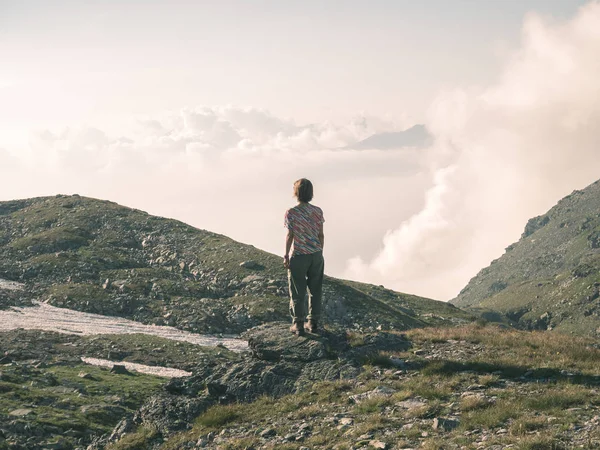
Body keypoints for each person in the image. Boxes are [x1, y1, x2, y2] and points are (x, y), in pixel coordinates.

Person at [284, 178, 325, 336]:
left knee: (297, 290)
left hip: (300, 255)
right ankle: (313, 323)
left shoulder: (292, 213)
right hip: (316, 255)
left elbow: (290, 235)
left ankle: (298, 324)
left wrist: (286, 255)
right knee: (315, 289)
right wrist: (319, 251)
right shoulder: (318, 211)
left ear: (296, 193)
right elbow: (321, 234)